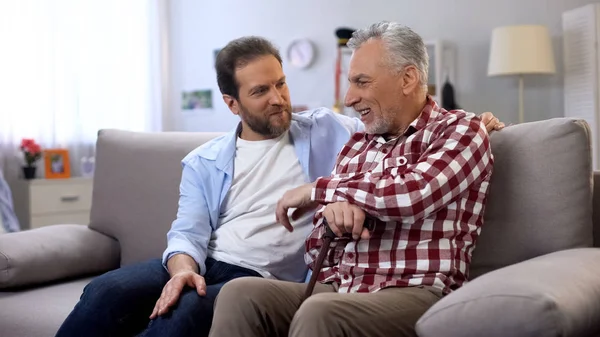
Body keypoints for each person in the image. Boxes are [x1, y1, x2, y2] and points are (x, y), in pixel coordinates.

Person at [55, 34, 503, 337]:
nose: (278, 98)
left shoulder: (330, 130)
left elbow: (399, 116)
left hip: (259, 273)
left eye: (281, 84)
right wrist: (182, 270)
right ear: (232, 104)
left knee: (185, 312)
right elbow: (187, 231)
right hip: (202, 262)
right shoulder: (204, 161)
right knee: (106, 290)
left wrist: (477, 121)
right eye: (260, 91)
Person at [208, 22, 495, 337]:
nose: (349, 97)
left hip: (415, 290)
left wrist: (322, 191)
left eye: (362, 82)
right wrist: (334, 215)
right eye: (350, 83)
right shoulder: (357, 144)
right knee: (239, 294)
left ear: (408, 78)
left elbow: (414, 193)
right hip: (339, 286)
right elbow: (316, 246)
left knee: (321, 313)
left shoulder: (459, 130)